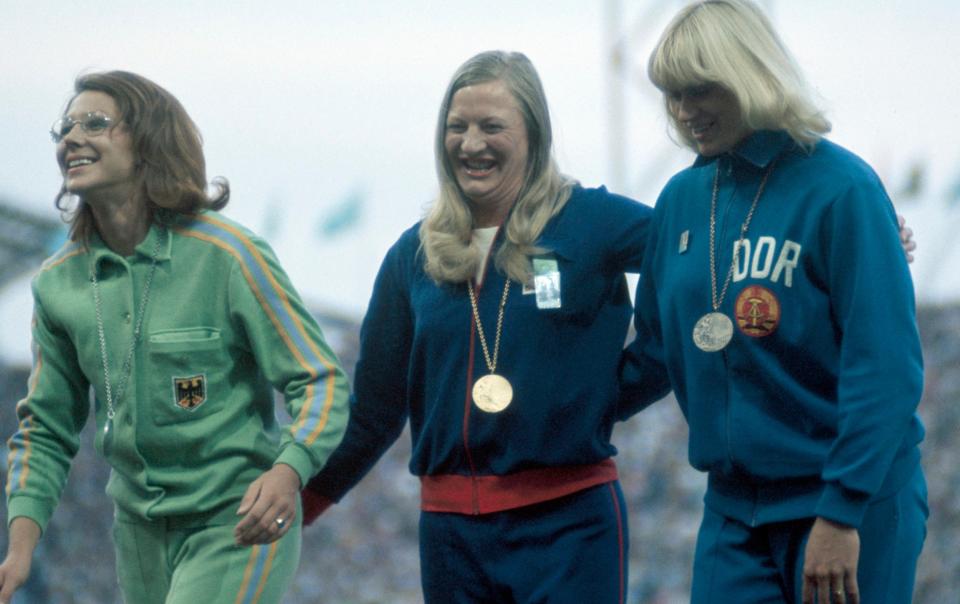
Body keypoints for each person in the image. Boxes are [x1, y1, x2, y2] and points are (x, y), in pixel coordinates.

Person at [301, 50, 664, 603]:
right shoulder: (413, 255)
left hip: (569, 525)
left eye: (492, 126)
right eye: (457, 127)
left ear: (533, 134)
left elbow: (694, 262)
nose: (471, 144)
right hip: (451, 538)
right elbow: (375, 409)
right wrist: (303, 497)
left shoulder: (590, 221)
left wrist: (611, 393)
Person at [0, 71, 350, 604]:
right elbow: (46, 427)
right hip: (136, 533)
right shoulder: (57, 284)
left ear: (149, 142)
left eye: (95, 123)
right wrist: (21, 543)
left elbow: (321, 380)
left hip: (235, 524)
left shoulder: (231, 256)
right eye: (64, 128)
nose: (71, 138)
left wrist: (288, 470)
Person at [619, 1, 928, 602]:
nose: (685, 112)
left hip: (848, 501)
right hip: (735, 511)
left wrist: (840, 515)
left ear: (751, 74)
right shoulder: (681, 199)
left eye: (701, 90)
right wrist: (555, 409)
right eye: (673, 95)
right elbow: (656, 353)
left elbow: (885, 369)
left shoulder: (842, 188)